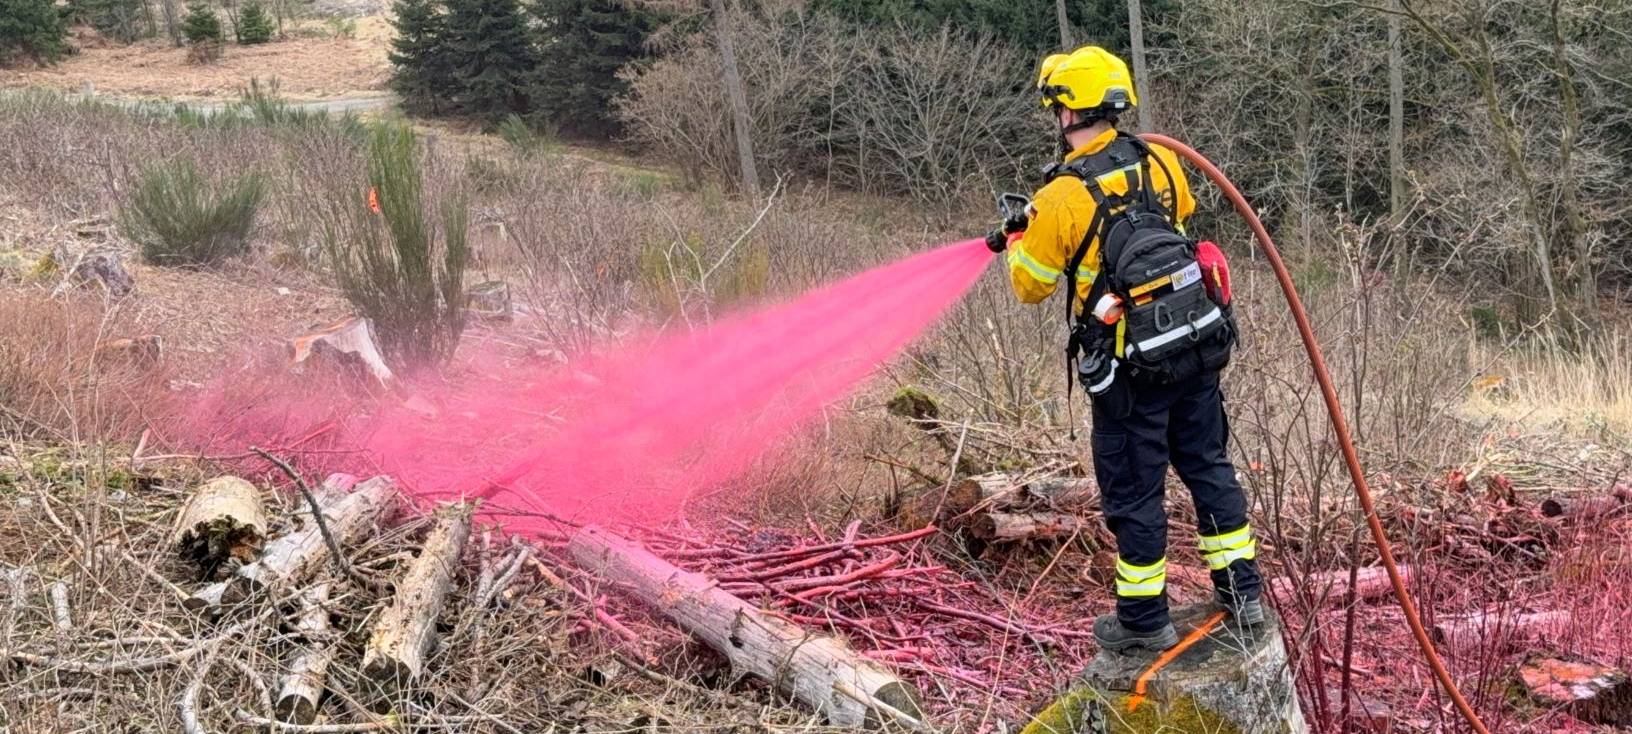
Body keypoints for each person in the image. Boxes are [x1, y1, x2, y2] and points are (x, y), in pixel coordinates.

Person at [988, 46, 1263, 652]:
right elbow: (1179, 220)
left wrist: (1019, 237)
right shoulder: (1163, 162)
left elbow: (1030, 285)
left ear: (1066, 111)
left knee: (1135, 490)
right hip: (1194, 347)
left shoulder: (1060, 197)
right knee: (1208, 466)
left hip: (1126, 368)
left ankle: (1143, 622)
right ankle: (1245, 597)